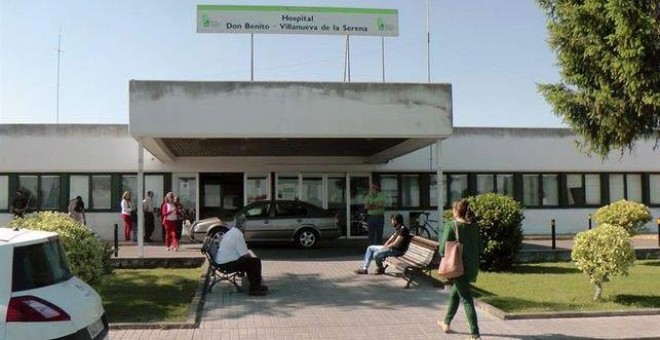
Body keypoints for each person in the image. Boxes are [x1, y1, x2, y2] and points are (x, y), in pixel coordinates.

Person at [437, 199, 482, 340]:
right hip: (472, 266)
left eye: (453, 209)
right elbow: (481, 247)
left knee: (467, 299)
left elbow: (443, 249)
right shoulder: (475, 226)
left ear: (456, 211)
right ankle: (446, 322)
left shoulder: (452, 225)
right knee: (455, 294)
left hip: (458, 267)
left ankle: (475, 335)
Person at [214, 221, 268, 296]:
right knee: (255, 262)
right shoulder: (238, 234)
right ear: (242, 226)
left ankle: (256, 286)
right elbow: (245, 254)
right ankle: (254, 289)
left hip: (222, 261)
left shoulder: (231, 232)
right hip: (227, 264)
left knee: (251, 262)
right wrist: (250, 258)